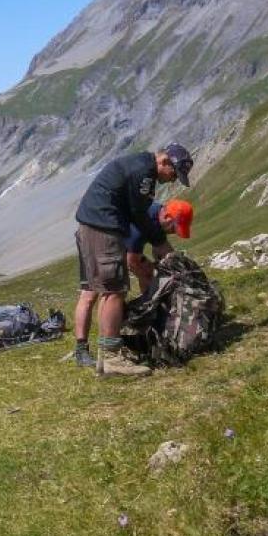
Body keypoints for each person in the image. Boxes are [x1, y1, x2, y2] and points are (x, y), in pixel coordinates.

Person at [69, 143, 194, 377]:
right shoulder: (144, 173)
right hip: (103, 228)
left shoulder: (140, 166)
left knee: (108, 291)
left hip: (97, 225)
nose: (172, 179)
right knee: (114, 291)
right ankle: (112, 358)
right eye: (174, 173)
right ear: (165, 162)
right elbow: (139, 214)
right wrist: (162, 247)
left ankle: (105, 355)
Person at [127, 198, 194, 295]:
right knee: (114, 291)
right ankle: (149, 303)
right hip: (109, 242)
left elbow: (165, 251)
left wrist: (180, 270)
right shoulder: (142, 223)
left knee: (149, 270)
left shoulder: (159, 220)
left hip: (127, 244)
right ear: (167, 217)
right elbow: (132, 261)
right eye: (174, 228)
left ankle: (150, 300)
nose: (174, 232)